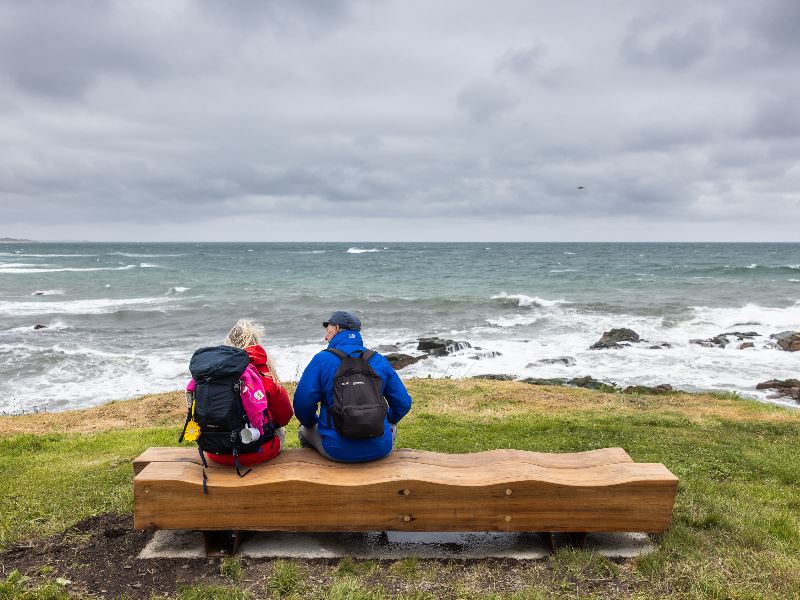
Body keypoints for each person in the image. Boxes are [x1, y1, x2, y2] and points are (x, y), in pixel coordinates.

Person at [293, 310, 412, 462]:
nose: (325, 336)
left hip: (336, 450)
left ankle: (318, 475)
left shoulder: (322, 360)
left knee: (305, 430)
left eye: (327, 329)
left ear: (336, 328)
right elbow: (403, 403)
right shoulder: (378, 359)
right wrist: (387, 419)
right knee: (391, 427)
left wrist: (311, 422)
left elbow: (302, 403)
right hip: (381, 448)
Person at [185, 319, 293, 466]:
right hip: (257, 451)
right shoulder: (261, 371)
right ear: (255, 342)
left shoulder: (211, 371)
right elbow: (284, 415)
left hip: (215, 452)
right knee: (280, 431)